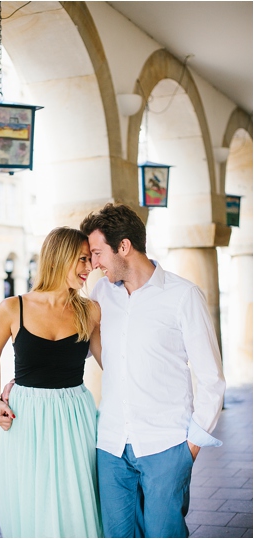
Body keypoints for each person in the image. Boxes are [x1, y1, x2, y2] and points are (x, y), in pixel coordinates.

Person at [80, 203, 225, 538]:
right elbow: (84, 347)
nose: (95, 263)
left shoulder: (183, 295)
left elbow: (211, 378)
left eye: (98, 253)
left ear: (124, 247)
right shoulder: (101, 293)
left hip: (167, 444)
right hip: (112, 445)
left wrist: (190, 447)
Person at [0, 227, 102, 538]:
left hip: (76, 416)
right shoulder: (13, 307)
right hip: (27, 419)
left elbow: (112, 365)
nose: (89, 268)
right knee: (33, 502)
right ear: (60, 258)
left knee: (76, 502)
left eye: (90, 260)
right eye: (83, 259)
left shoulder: (90, 311)